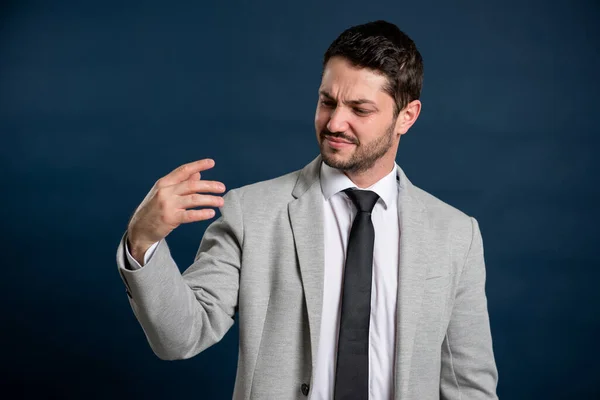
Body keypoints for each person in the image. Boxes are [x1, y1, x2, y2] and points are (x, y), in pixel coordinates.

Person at [116, 20, 498, 400]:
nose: (334, 122)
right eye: (327, 101)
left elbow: (469, 386)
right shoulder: (252, 212)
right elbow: (181, 337)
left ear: (407, 117)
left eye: (359, 109)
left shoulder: (456, 235)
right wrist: (142, 242)